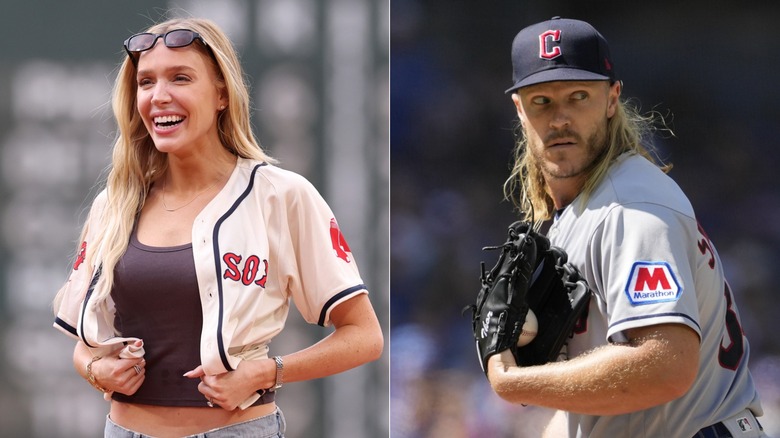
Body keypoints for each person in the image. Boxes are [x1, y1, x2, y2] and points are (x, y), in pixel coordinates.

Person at [52, 16, 383, 438]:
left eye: (180, 78)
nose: (160, 96)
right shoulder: (115, 205)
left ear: (222, 93)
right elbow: (84, 346)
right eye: (147, 82)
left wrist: (266, 373)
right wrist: (98, 369)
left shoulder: (280, 195)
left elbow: (364, 336)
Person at [486, 17, 766, 437]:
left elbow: (665, 366)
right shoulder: (579, 212)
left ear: (612, 99)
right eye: (541, 100)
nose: (560, 117)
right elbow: (593, 412)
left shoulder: (629, 207)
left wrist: (512, 382)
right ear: (520, 110)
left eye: (578, 96)